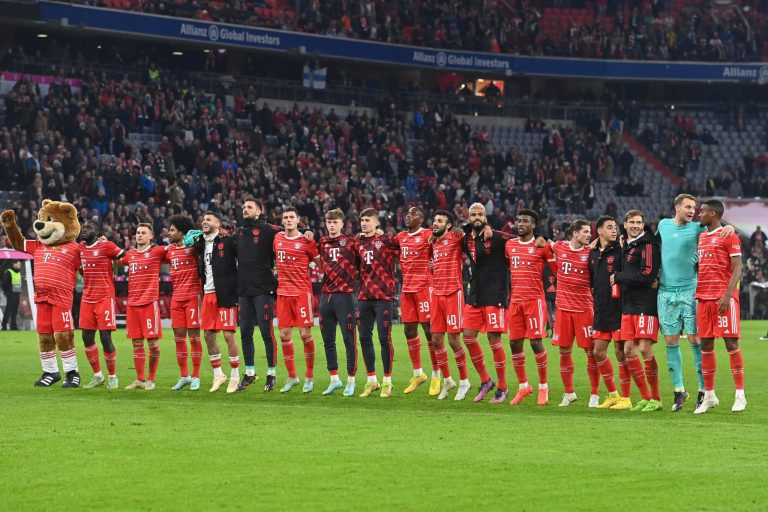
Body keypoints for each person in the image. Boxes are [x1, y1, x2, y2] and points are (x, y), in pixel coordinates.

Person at [656, 194, 734, 411]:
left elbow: (718, 226)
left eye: (695, 208)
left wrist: (730, 228)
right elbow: (652, 250)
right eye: (688, 207)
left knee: (696, 339)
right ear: (677, 207)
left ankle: (704, 390)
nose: (693, 211)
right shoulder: (662, 225)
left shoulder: (699, 228)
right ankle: (679, 390)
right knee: (671, 340)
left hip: (691, 291)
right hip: (665, 291)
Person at [694, 199, 746, 413]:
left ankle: (740, 395)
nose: (699, 214)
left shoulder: (729, 235)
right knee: (705, 346)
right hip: (703, 298)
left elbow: (738, 267)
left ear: (713, 214)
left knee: (731, 345)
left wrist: (727, 295)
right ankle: (709, 396)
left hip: (723, 299)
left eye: (703, 211)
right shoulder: (701, 236)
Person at [611, 210, 662, 412]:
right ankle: (644, 397)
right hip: (628, 304)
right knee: (628, 350)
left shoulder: (648, 245)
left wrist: (620, 277)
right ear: (624, 224)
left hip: (645, 305)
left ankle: (656, 398)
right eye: (631, 222)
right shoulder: (626, 245)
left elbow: (648, 274)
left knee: (644, 348)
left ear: (643, 225)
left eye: (639, 222)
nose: (635, 225)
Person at [505, 209, 556, 406]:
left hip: (534, 301)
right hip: (515, 302)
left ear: (533, 225)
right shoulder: (510, 245)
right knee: (514, 344)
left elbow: (557, 269)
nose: (521, 224)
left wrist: (547, 238)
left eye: (525, 221)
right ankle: (523, 386)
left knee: (536, 343)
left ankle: (543, 386)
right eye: (519, 220)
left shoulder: (542, 247)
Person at [461, 203, 510, 403]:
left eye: (480, 214)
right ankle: (485, 381)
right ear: (469, 217)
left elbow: (522, 238)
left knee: (493, 340)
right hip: (476, 293)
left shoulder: (497, 237)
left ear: (486, 216)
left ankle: (503, 387)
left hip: (495, 294)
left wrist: (541, 235)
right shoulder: (465, 238)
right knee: (468, 337)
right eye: (473, 214)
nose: (477, 217)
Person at [551, 220, 601, 407]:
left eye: (590, 232)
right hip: (563, 309)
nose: (590, 235)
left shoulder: (591, 253)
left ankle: (594, 394)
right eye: (586, 232)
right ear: (574, 233)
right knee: (564, 351)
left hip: (584, 309)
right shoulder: (560, 247)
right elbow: (546, 242)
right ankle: (569, 392)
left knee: (591, 352)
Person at [191, 212, 240, 393]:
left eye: (209, 219)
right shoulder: (200, 243)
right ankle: (218, 374)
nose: (204, 221)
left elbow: (242, 253)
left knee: (228, 336)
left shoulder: (227, 241)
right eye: (203, 219)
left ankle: (235, 375)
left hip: (225, 294)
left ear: (218, 224)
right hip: (208, 294)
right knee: (208, 336)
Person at [272, 207, 319, 393]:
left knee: (305, 335)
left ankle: (309, 377)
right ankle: (292, 377)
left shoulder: (306, 240)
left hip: (301, 294)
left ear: (298, 220)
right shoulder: (277, 238)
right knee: (284, 336)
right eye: (286, 217)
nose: (289, 220)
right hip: (283, 294)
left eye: (292, 217)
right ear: (282, 221)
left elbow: (321, 264)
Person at [235, 198, 280, 392]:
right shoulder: (239, 232)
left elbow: (291, 231)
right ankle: (250, 372)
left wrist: (306, 232)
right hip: (244, 290)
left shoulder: (269, 229)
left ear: (259, 211)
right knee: (245, 332)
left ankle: (271, 373)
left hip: (263, 288)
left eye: (249, 207)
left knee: (265, 331)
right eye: (243, 207)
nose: (245, 209)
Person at [355, 208, 399, 398]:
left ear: (376, 223)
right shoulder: (358, 243)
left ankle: (388, 382)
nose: (364, 223)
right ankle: (372, 380)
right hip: (364, 296)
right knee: (364, 338)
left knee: (384, 338)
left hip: (383, 297)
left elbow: (404, 249)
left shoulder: (387, 241)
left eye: (367, 220)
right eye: (362, 220)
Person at [396, 206, 439, 395]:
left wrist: (435, 262)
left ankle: (437, 375)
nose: (408, 216)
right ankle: (418, 374)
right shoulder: (400, 237)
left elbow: (446, 246)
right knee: (409, 330)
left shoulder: (429, 235)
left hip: (424, 288)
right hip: (407, 290)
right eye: (407, 213)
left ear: (421, 219)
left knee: (429, 331)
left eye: (413, 214)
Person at [428, 210, 471, 400]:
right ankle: (448, 380)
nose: (435, 223)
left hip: (453, 293)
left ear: (448, 225)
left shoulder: (455, 237)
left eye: (439, 221)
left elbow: (471, 233)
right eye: (434, 220)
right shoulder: (433, 242)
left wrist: (461, 230)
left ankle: (464, 382)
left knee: (454, 340)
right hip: (436, 294)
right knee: (436, 340)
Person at [588, 216, 629, 409]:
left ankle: (626, 398)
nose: (615, 230)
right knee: (598, 351)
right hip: (601, 309)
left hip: (619, 309)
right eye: (610, 227)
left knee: (621, 353)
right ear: (600, 231)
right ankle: (613, 394)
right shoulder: (593, 254)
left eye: (616, 227)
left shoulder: (620, 251)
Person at [316, 209, 359, 396]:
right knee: (328, 341)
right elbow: (318, 262)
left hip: (345, 296)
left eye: (335, 222)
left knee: (349, 340)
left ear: (342, 224)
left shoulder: (351, 241)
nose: (331, 225)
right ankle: (334, 379)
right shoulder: (322, 242)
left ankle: (351, 380)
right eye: (329, 222)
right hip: (326, 296)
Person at [78, 221, 124, 389]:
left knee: (105, 337)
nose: (84, 229)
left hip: (104, 298)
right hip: (87, 299)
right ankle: (98, 376)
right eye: (83, 227)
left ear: (97, 232)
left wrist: (115, 264)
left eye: (89, 228)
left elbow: (123, 256)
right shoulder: (80, 248)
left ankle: (112, 376)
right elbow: (80, 268)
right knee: (86, 337)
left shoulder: (107, 246)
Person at [122, 223, 166, 391]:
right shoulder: (131, 254)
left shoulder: (157, 252)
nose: (139, 235)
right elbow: (117, 260)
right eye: (137, 232)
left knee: (153, 344)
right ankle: (140, 379)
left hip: (149, 303)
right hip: (132, 304)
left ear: (150, 237)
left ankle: (151, 379)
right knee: (137, 344)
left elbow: (174, 251)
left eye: (143, 233)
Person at [165, 215, 203, 391]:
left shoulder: (194, 248)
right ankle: (184, 376)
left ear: (181, 232)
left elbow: (206, 241)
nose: (169, 233)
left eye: (172, 230)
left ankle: (196, 376)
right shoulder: (169, 250)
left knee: (194, 337)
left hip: (192, 297)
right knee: (178, 338)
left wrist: (197, 238)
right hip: (176, 298)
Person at [1, 260, 21, 330]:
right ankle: (4, 326)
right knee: (8, 310)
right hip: (11, 293)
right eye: (18, 264)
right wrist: (7, 292)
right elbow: (3, 284)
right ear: (14, 264)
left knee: (15, 311)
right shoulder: (9, 272)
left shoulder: (18, 272)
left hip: (17, 293)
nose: (19, 265)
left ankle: (13, 326)